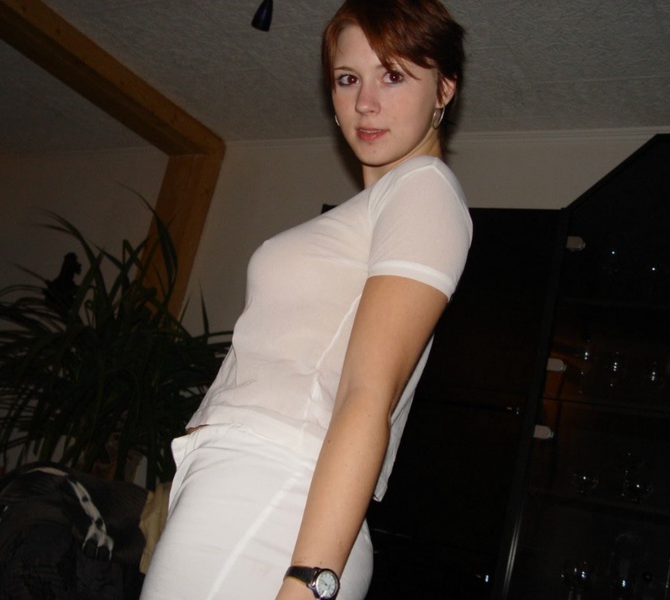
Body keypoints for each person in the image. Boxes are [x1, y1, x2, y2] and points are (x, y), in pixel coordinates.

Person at [141, 1, 471, 598]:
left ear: (444, 88)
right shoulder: (379, 205)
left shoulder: (423, 189)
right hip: (253, 490)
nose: (364, 102)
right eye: (348, 79)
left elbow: (368, 394)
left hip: (275, 493)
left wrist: (307, 581)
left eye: (393, 75)